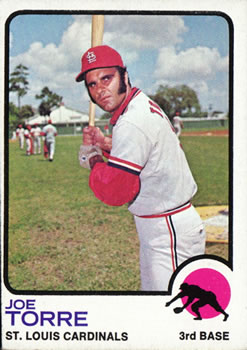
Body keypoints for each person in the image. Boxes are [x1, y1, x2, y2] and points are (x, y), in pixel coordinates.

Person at [76, 45, 205, 291]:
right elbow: (143, 156)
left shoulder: (132, 121)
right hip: (165, 226)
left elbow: (117, 190)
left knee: (168, 315)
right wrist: (104, 144)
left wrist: (93, 158)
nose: (100, 89)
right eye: (92, 84)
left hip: (168, 231)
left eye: (107, 78)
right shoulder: (138, 105)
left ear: (124, 76)